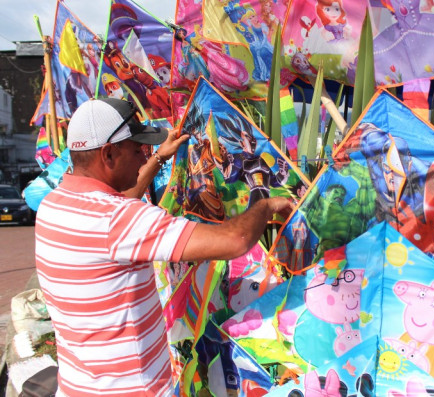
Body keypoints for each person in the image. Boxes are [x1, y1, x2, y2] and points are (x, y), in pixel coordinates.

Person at [34, 98, 293, 396]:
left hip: (78, 386)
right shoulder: (120, 220)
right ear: (108, 154)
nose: (143, 157)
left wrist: (159, 157)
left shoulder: (55, 206)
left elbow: (121, 204)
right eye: (137, 150)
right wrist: (266, 204)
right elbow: (234, 241)